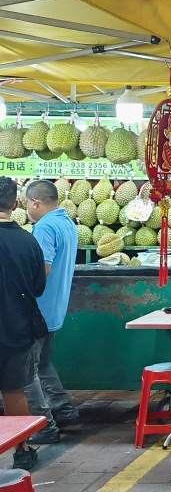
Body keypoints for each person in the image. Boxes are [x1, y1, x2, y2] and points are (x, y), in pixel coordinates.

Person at [23, 180, 79, 445]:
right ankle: (64, 411)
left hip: (39, 308)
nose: (26, 209)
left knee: (27, 370)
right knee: (43, 364)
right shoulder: (67, 222)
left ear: (35, 202)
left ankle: (45, 425)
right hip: (54, 309)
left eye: (27, 203)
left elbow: (41, 270)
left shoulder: (44, 227)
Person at [0, 177, 47, 471]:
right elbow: (38, 288)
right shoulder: (29, 241)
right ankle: (23, 450)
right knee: (14, 391)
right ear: (15, 204)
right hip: (17, 327)